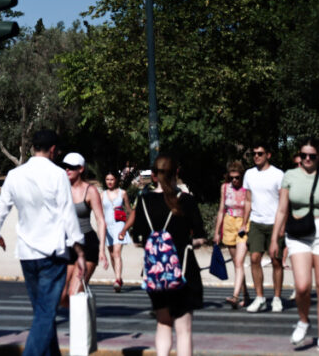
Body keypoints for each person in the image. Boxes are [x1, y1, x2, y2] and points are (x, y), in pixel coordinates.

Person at [0, 129, 85, 356]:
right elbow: (68, 215)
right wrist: (80, 252)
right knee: (45, 314)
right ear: (53, 150)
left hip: (27, 254)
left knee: (42, 313)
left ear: (33, 147)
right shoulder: (57, 175)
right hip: (52, 254)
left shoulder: (14, 175)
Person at [120, 154, 206, 356]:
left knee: (163, 325)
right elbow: (200, 237)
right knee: (183, 330)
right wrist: (189, 242)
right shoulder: (186, 201)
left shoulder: (143, 201)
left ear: (154, 176)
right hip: (183, 271)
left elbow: (138, 238)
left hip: (155, 273)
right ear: (177, 172)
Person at [270, 137, 319, 355]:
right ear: (299, 156)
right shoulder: (290, 176)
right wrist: (274, 238)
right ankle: (303, 321)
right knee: (302, 286)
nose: (307, 159)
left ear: (318, 156)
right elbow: (282, 210)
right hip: (298, 232)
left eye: (312, 156)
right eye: (303, 155)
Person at [241, 142, 285, 313]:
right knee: (254, 259)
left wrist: (282, 226)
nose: (257, 156)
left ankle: (276, 298)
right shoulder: (249, 174)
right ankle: (260, 298)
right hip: (256, 223)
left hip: (274, 223)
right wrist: (244, 223)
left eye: (260, 153)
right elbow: (247, 200)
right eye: (254, 153)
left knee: (276, 261)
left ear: (268, 155)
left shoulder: (278, 174)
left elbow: (284, 201)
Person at [60, 152, 108, 304]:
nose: (67, 170)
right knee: (61, 297)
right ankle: (83, 312)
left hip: (87, 244)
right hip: (68, 245)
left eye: (71, 167)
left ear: (80, 169)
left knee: (74, 294)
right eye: (65, 167)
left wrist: (101, 250)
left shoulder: (90, 190)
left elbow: (101, 220)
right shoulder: (61, 189)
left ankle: (80, 323)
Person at [212, 160, 249, 309]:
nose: (234, 180)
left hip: (243, 224)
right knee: (236, 263)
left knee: (239, 261)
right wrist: (217, 232)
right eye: (232, 177)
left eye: (237, 177)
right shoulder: (225, 187)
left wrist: (245, 224)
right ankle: (245, 294)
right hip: (228, 223)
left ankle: (235, 296)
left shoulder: (247, 188)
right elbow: (221, 209)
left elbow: (249, 207)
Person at [101, 171, 132, 292]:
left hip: (119, 225)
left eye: (112, 179)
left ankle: (117, 279)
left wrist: (127, 227)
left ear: (116, 180)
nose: (109, 182)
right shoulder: (102, 194)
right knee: (112, 255)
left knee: (117, 252)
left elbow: (129, 210)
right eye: (107, 179)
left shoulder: (123, 193)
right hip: (107, 227)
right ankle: (117, 277)